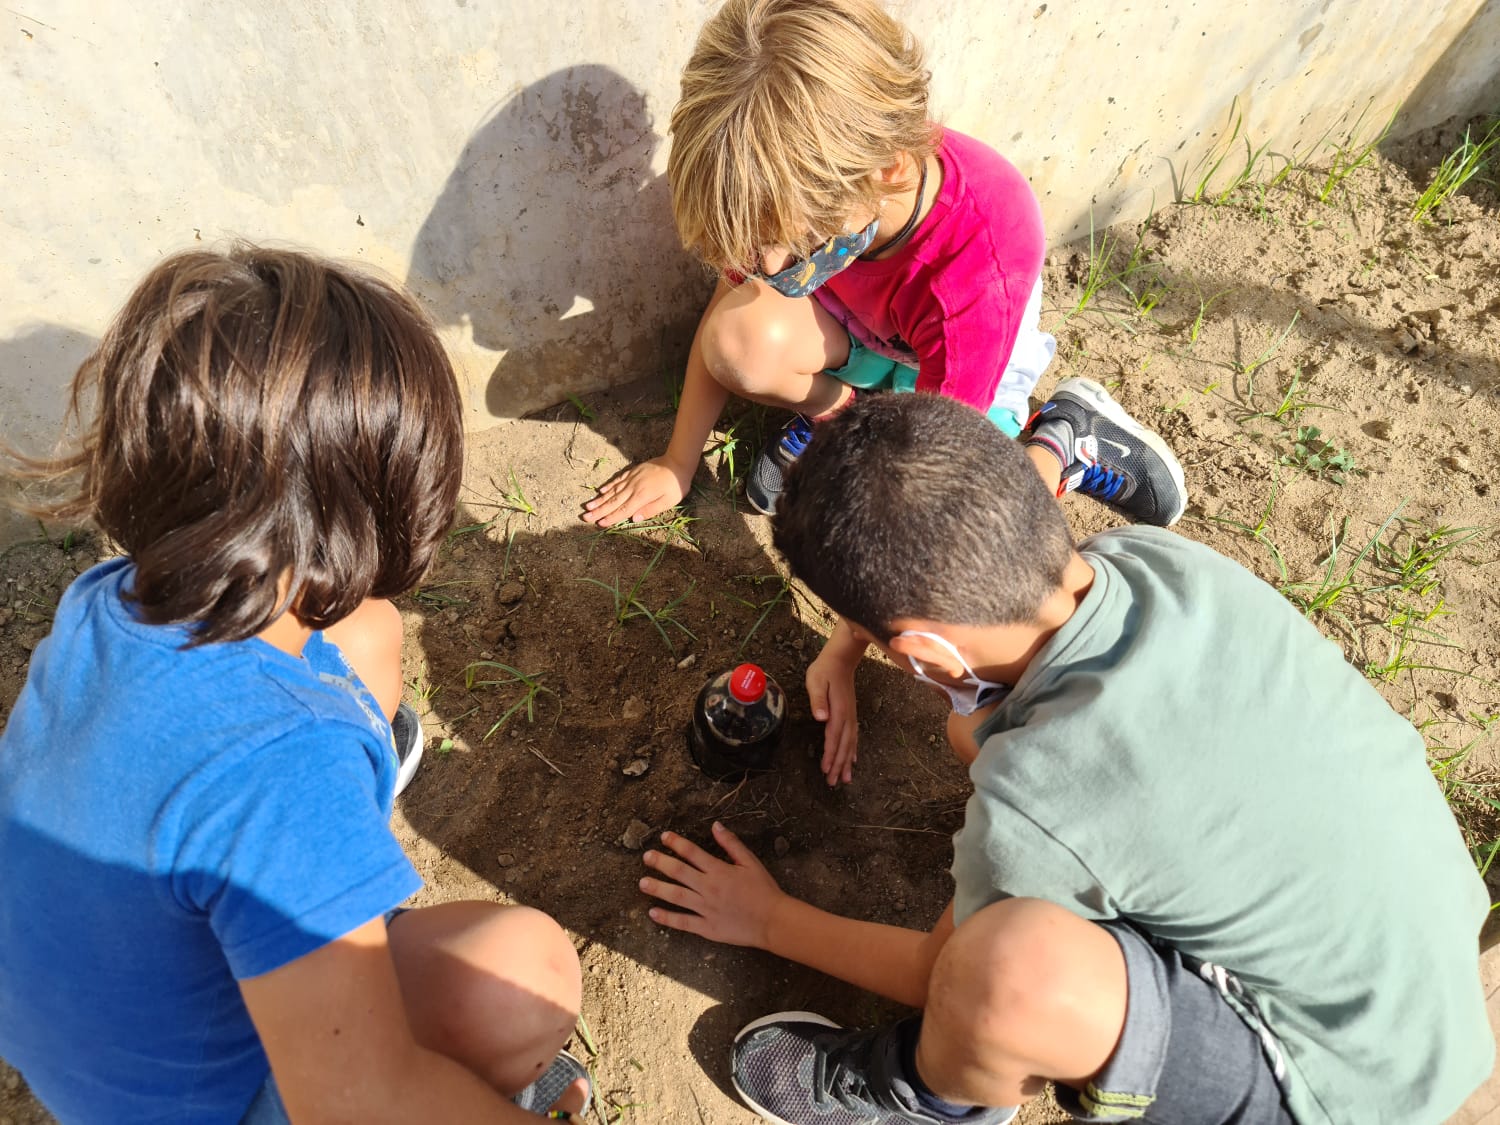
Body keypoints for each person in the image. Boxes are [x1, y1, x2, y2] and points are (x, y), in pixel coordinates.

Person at [637, 392, 1492, 1124]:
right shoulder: (1151, 561)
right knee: (977, 739)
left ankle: (936, 1101)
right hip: (1424, 944)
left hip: (1336, 1086)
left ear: (922, 653)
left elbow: (933, 973)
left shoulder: (1034, 802)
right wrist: (860, 645)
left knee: (1000, 978)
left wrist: (768, 919)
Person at [0, 246, 588, 1124]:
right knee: (529, 972)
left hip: (95, 1029)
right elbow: (361, 1105)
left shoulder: (109, 596)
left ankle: (319, 891)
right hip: (221, 1102)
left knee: (369, 633)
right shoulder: (282, 769)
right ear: (371, 513)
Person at [582, 0, 1185, 539]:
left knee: (977, 516)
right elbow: (732, 306)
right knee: (739, 340)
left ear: (890, 170)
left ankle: (1065, 441)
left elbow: (936, 464)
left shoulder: (976, 274)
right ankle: (850, 417)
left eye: (799, 237)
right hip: (870, 333)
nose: (765, 266)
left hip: (967, 359)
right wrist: (678, 462)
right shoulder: (805, 180)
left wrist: (855, 613)